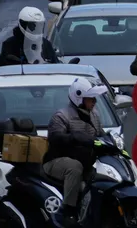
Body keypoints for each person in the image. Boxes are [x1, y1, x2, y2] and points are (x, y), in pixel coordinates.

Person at [44, 77, 107, 226]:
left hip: (85, 161)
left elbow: (100, 135)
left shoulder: (94, 116)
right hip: (56, 161)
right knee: (74, 167)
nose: (94, 102)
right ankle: (67, 212)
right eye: (90, 98)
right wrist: (73, 137)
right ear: (79, 98)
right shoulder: (61, 116)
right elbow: (55, 137)